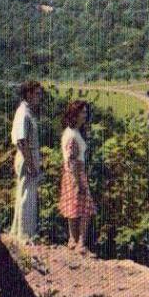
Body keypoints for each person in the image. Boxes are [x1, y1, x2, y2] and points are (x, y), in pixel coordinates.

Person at [58, 100, 97, 254]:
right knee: (85, 210)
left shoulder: (70, 132)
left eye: (86, 112)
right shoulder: (72, 135)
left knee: (73, 208)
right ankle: (80, 242)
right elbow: (72, 159)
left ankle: (73, 241)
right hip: (76, 173)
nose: (85, 115)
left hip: (70, 174)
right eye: (83, 112)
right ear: (75, 114)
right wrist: (78, 183)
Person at [9, 80, 44, 244]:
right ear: (28, 94)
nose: (39, 97)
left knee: (27, 195)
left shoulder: (27, 111)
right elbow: (21, 141)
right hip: (26, 157)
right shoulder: (23, 112)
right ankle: (24, 236)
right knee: (26, 196)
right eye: (37, 93)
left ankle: (21, 233)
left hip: (29, 155)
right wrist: (31, 164)